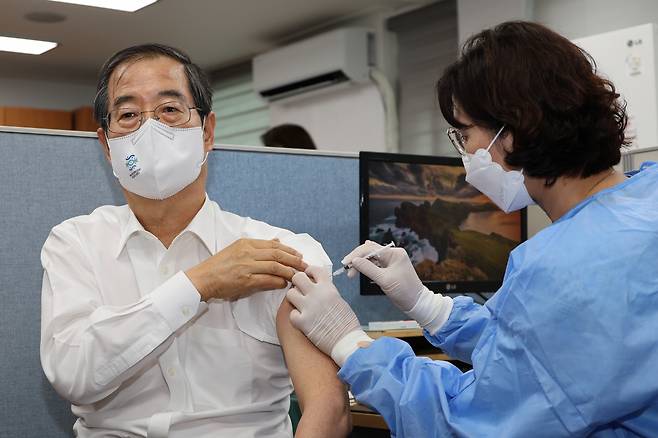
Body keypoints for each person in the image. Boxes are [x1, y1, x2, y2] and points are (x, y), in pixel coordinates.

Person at [286, 21, 658, 437]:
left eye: (464, 135)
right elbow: (546, 358)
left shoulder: (563, 268)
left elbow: (467, 421)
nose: (466, 154)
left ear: (513, 132)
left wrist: (348, 342)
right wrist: (427, 304)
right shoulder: (647, 196)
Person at [40, 44, 350, 438]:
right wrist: (198, 284)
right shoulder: (75, 244)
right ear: (106, 145)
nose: (149, 129)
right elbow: (72, 375)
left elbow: (329, 409)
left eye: (170, 110)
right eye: (128, 114)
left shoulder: (278, 251)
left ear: (206, 132)